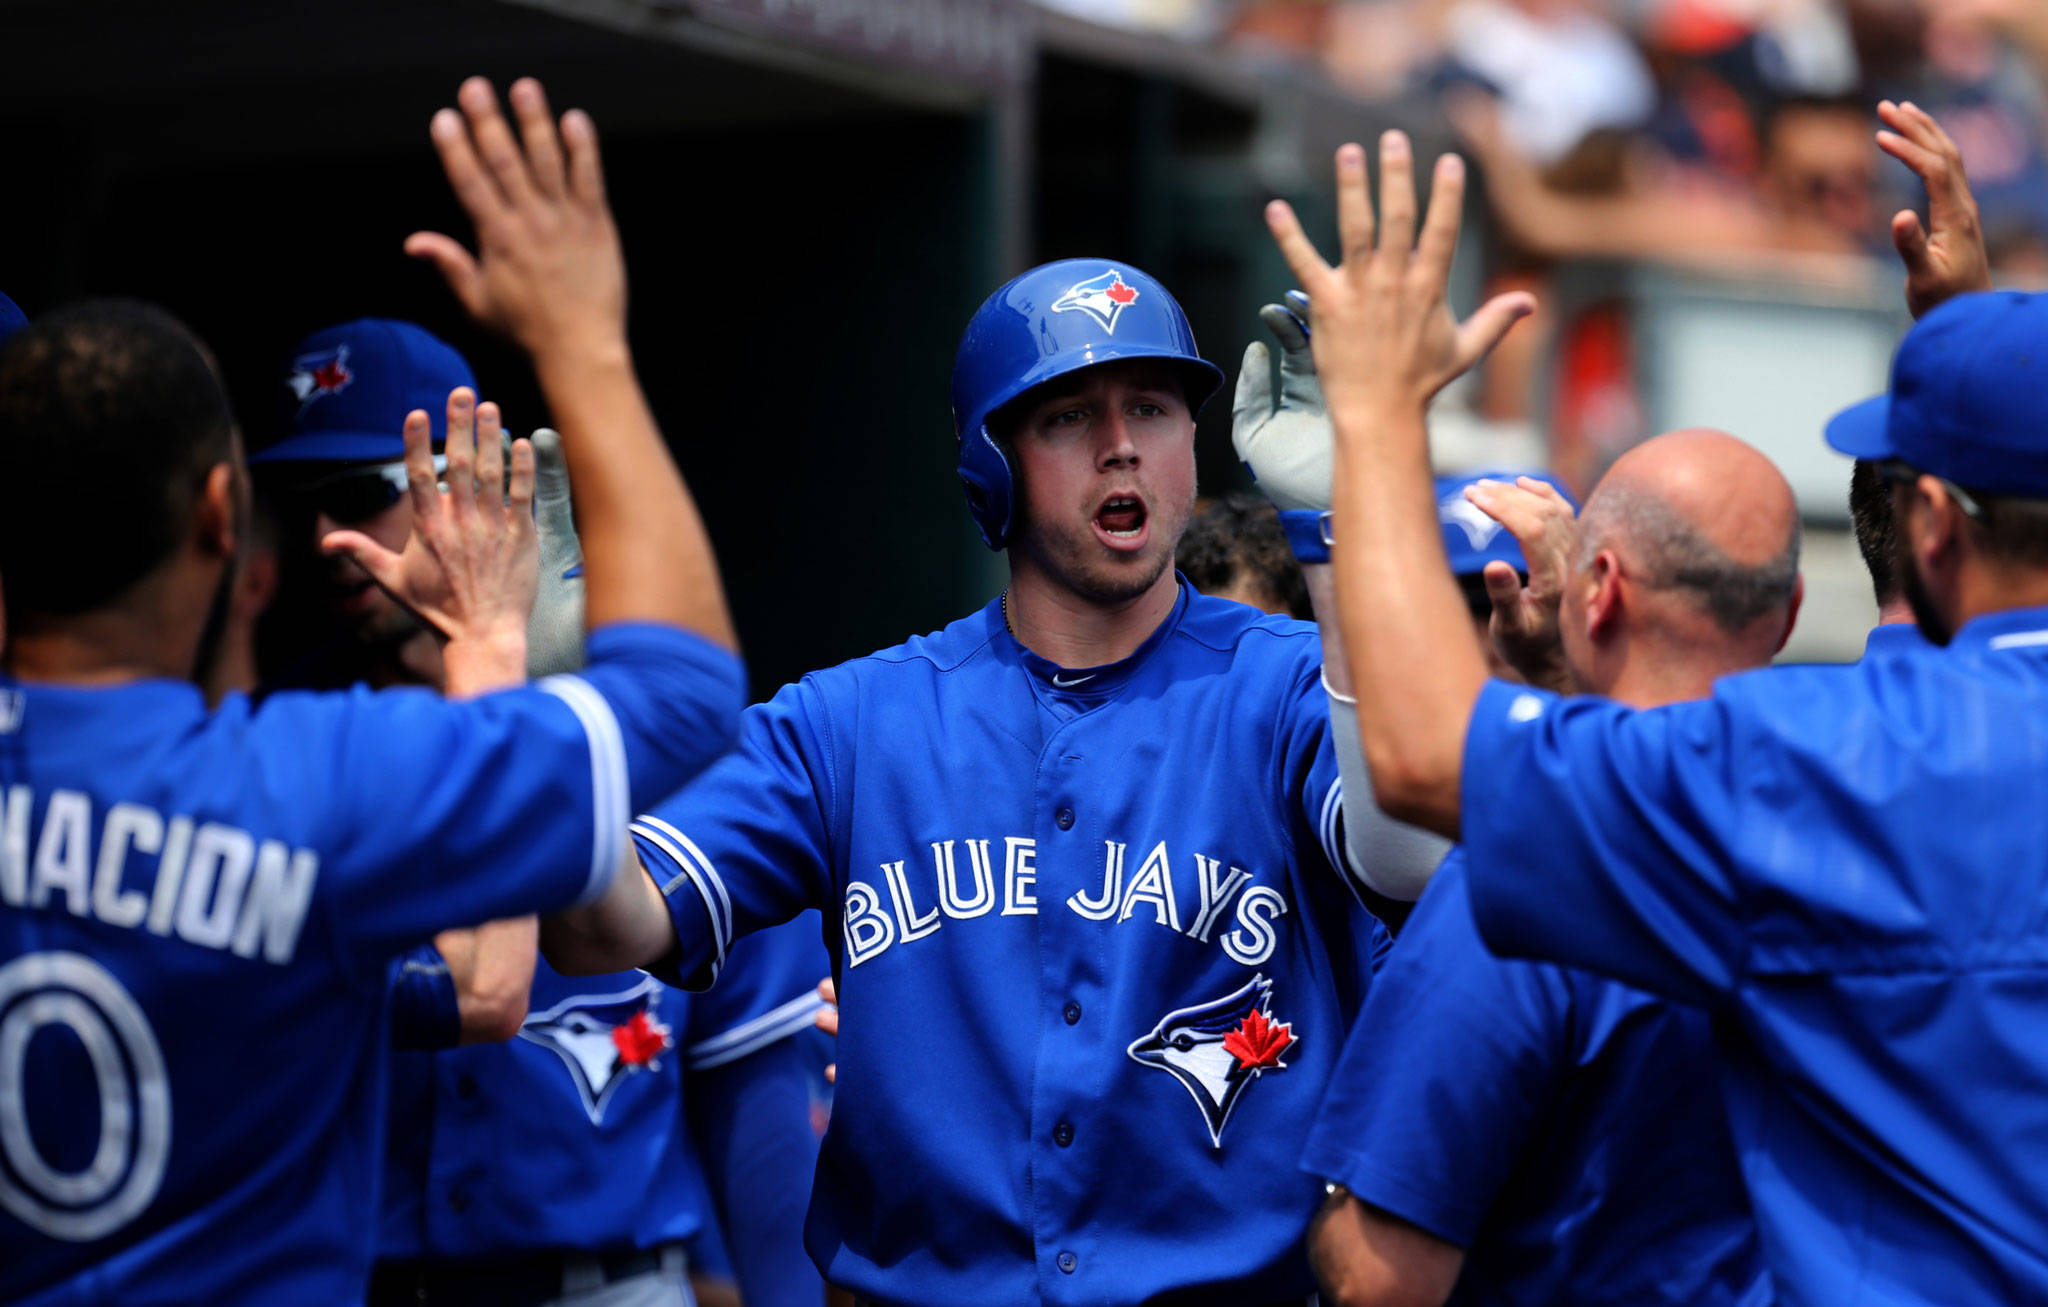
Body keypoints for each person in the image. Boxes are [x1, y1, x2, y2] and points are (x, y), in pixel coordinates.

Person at [1266, 94, 2048, 1302]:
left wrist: (1374, 422)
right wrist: (1980, 366)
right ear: (1784, 615)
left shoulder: (1806, 769)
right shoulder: (1865, 745)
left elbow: (1425, 755)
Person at [0, 76, 742, 1306]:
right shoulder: (301, 779)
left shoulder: (302, 752)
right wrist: (583, 344)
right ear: (226, 522)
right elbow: (680, 686)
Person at [544, 256, 1399, 1303]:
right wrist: (554, 718)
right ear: (989, 467)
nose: (1120, 442)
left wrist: (1341, 537)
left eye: (1151, 407)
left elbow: (1398, 851)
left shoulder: (1282, 688)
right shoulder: (851, 721)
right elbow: (598, 926)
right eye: (1066, 416)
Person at [1302, 429, 1793, 1307]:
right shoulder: (1852, 818)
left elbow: (1381, 1278)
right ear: (1790, 612)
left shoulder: (1530, 864)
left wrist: (1335, 1212)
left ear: (1595, 593)